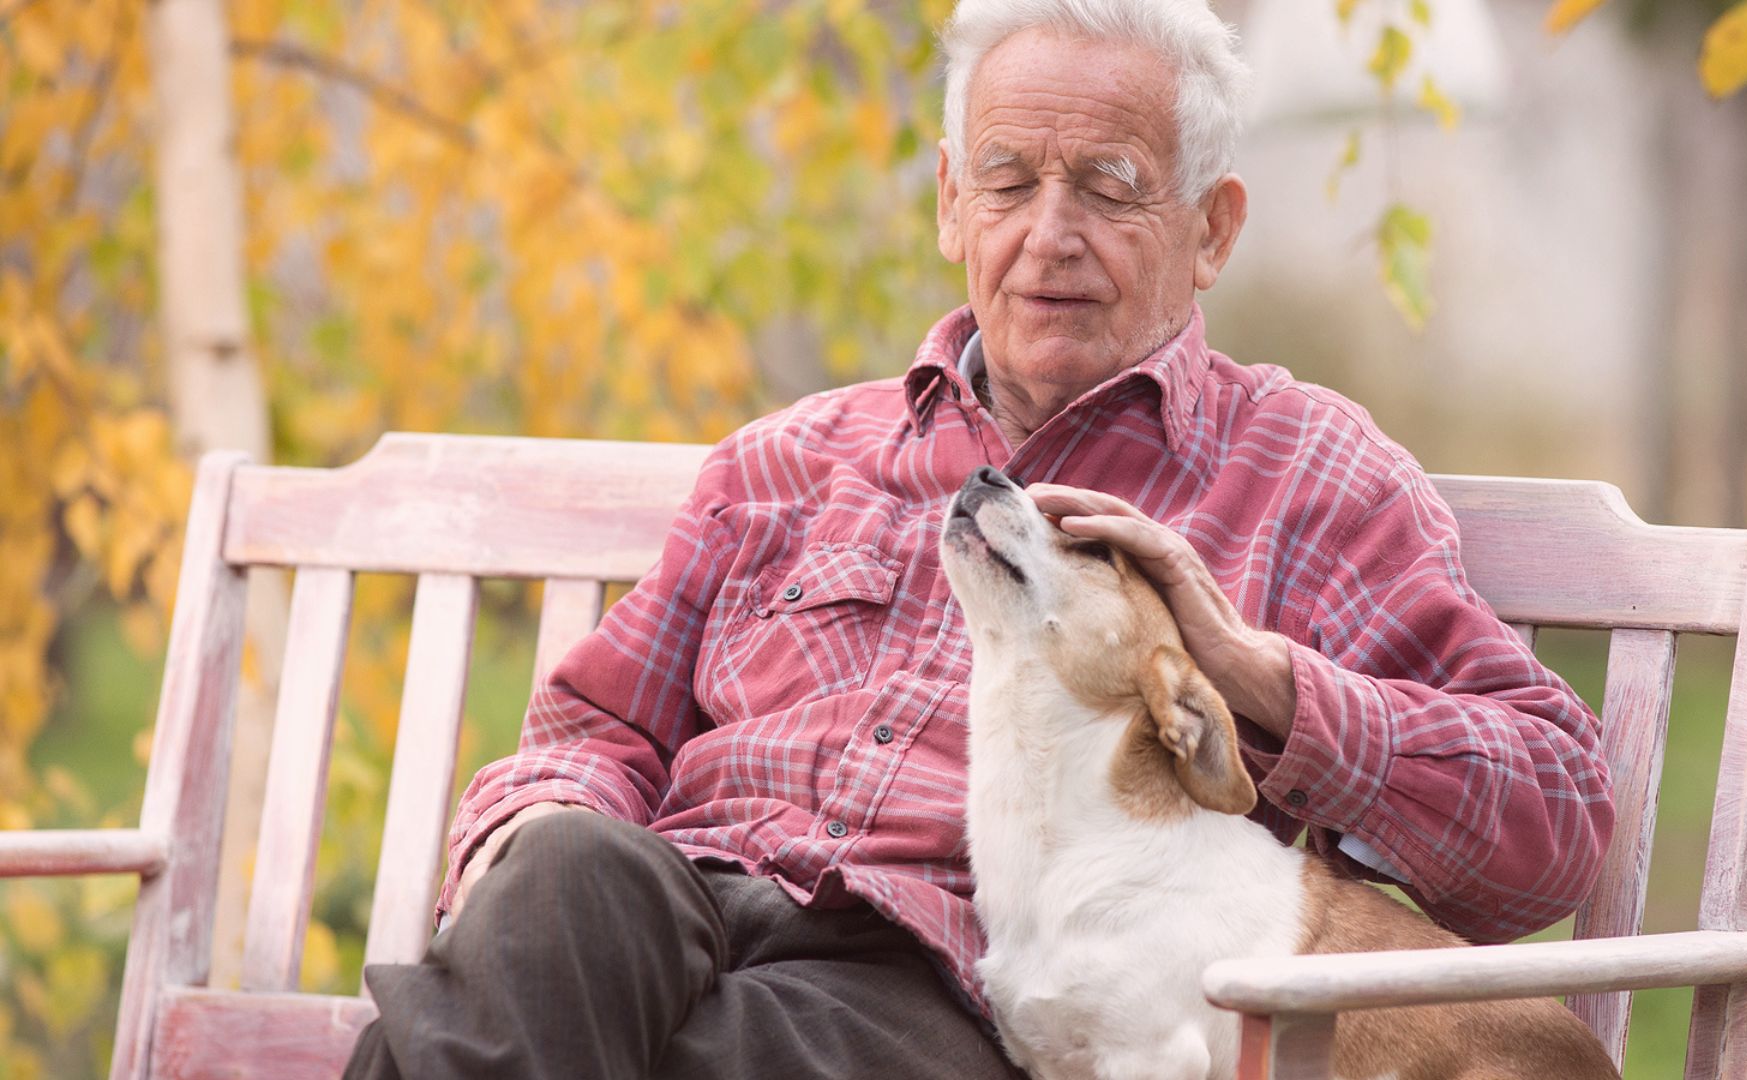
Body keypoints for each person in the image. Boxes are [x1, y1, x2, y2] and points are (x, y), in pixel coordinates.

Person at [345, 0, 1614, 1076]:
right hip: (671, 906)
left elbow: (1551, 818)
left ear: (1214, 227)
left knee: (505, 1047)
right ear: (954, 204)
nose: (1047, 234)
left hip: (925, 976)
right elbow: (595, 735)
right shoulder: (785, 460)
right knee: (565, 875)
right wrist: (535, 855)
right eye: (1009, 181)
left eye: (1109, 188)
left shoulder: (1306, 474)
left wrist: (1253, 673)